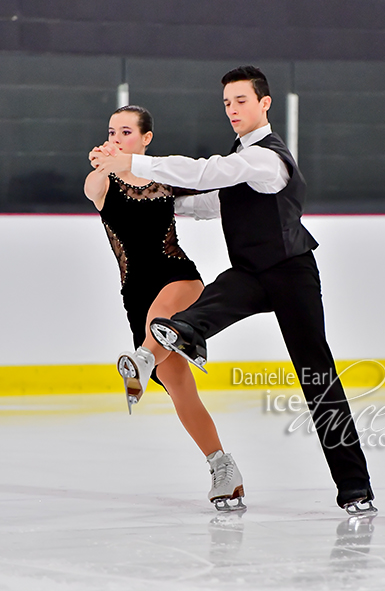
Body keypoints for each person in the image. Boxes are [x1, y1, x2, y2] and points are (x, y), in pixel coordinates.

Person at [91, 68, 377, 515]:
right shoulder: (238, 160)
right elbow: (204, 203)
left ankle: (356, 488)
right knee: (212, 300)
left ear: (264, 104)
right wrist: (135, 194)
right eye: (227, 103)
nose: (232, 110)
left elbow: (209, 174)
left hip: (290, 272)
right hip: (250, 273)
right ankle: (175, 335)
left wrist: (134, 164)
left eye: (240, 101)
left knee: (316, 376)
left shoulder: (266, 158)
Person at [85, 105, 245, 512]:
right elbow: (92, 187)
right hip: (135, 294)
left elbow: (214, 196)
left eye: (125, 130)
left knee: (158, 331)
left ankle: (140, 360)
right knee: (179, 387)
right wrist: (106, 164)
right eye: (112, 130)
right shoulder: (102, 183)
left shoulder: (163, 177)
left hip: (178, 277)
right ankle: (222, 468)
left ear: (146, 138)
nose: (117, 136)